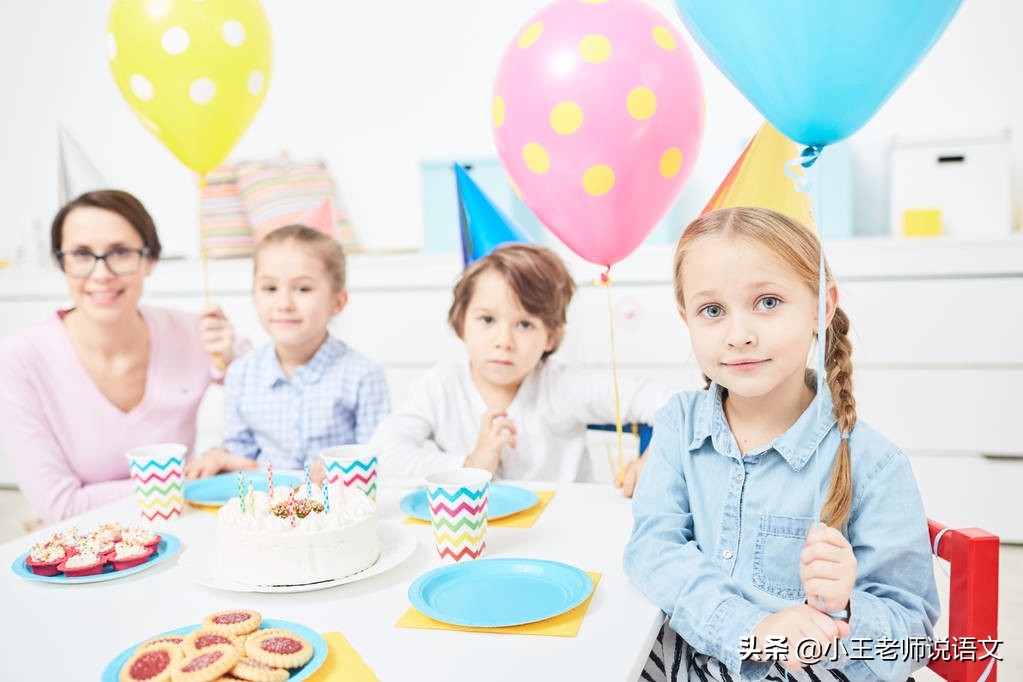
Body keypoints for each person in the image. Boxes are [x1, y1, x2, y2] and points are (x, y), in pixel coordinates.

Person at [624, 207, 939, 681]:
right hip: (690, 660)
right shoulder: (678, 425)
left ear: (822, 307)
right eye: (712, 311)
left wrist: (849, 606)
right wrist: (755, 627)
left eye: (768, 302)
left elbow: (911, 636)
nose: (739, 335)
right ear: (685, 317)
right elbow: (652, 549)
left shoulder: (875, 464)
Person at [0, 190, 237, 523]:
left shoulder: (195, 333)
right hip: (80, 541)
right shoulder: (19, 359)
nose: (101, 274)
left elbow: (281, 395)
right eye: (81, 254)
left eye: (121, 252)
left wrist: (234, 366)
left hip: (179, 525)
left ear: (150, 260)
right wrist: (187, 482)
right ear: (61, 263)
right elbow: (59, 506)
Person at [371, 243, 674, 494]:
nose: (504, 341)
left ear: (551, 336)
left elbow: (672, 404)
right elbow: (382, 455)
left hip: (564, 529)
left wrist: (655, 459)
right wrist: (468, 466)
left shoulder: (563, 385)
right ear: (461, 320)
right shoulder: (439, 386)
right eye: (487, 320)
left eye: (525, 324)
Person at [185, 224, 390, 479]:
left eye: (303, 289)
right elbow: (241, 459)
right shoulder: (241, 373)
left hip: (336, 510)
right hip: (268, 511)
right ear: (254, 295)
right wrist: (220, 455)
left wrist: (348, 469)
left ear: (337, 302)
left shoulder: (363, 376)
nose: (284, 304)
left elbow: (381, 459)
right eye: (270, 289)